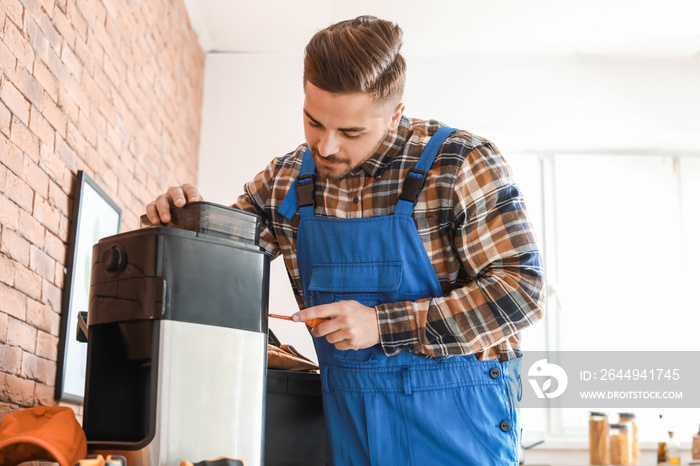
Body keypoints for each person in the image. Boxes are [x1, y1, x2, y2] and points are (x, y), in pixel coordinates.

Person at [146, 15, 545, 466]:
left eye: (351, 132)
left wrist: (382, 324)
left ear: (395, 114)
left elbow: (522, 293)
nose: (327, 146)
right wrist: (181, 222)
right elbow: (214, 263)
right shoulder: (286, 180)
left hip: (457, 427)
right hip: (349, 428)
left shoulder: (459, 163)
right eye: (314, 122)